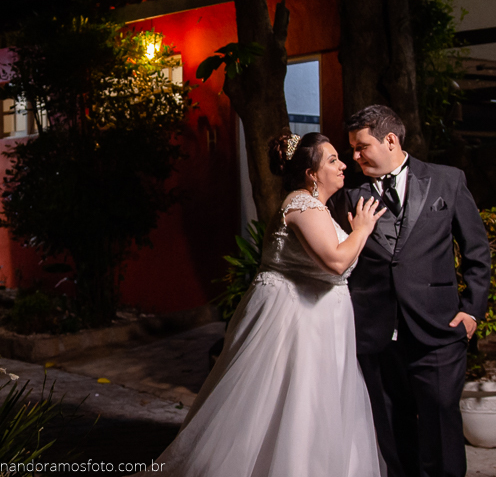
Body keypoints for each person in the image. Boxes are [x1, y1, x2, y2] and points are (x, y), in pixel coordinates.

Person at [156, 131, 387, 476]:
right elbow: (336, 263)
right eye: (332, 160)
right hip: (295, 323)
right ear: (311, 173)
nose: (343, 166)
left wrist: (353, 233)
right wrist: (362, 230)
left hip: (322, 323)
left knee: (317, 408)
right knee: (290, 406)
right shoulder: (301, 204)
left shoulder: (316, 208)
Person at [331, 105, 491, 477]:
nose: (354, 157)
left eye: (361, 147)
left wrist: (472, 311)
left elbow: (477, 252)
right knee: (390, 432)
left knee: (440, 423)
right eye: (351, 149)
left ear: (390, 140)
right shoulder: (347, 194)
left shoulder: (447, 181)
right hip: (375, 335)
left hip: (438, 329)